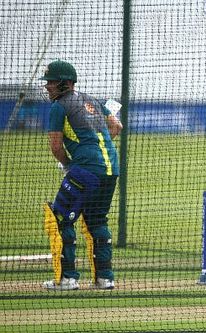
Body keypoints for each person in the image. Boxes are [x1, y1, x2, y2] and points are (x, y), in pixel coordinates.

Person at [39, 60, 123, 290]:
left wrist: (68, 164)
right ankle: (104, 279)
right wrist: (93, 150)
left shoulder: (59, 107)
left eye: (51, 82)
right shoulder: (93, 100)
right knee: (97, 220)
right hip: (111, 169)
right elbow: (117, 127)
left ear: (65, 84)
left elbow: (55, 146)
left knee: (61, 218)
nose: (47, 87)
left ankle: (67, 279)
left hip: (85, 169)